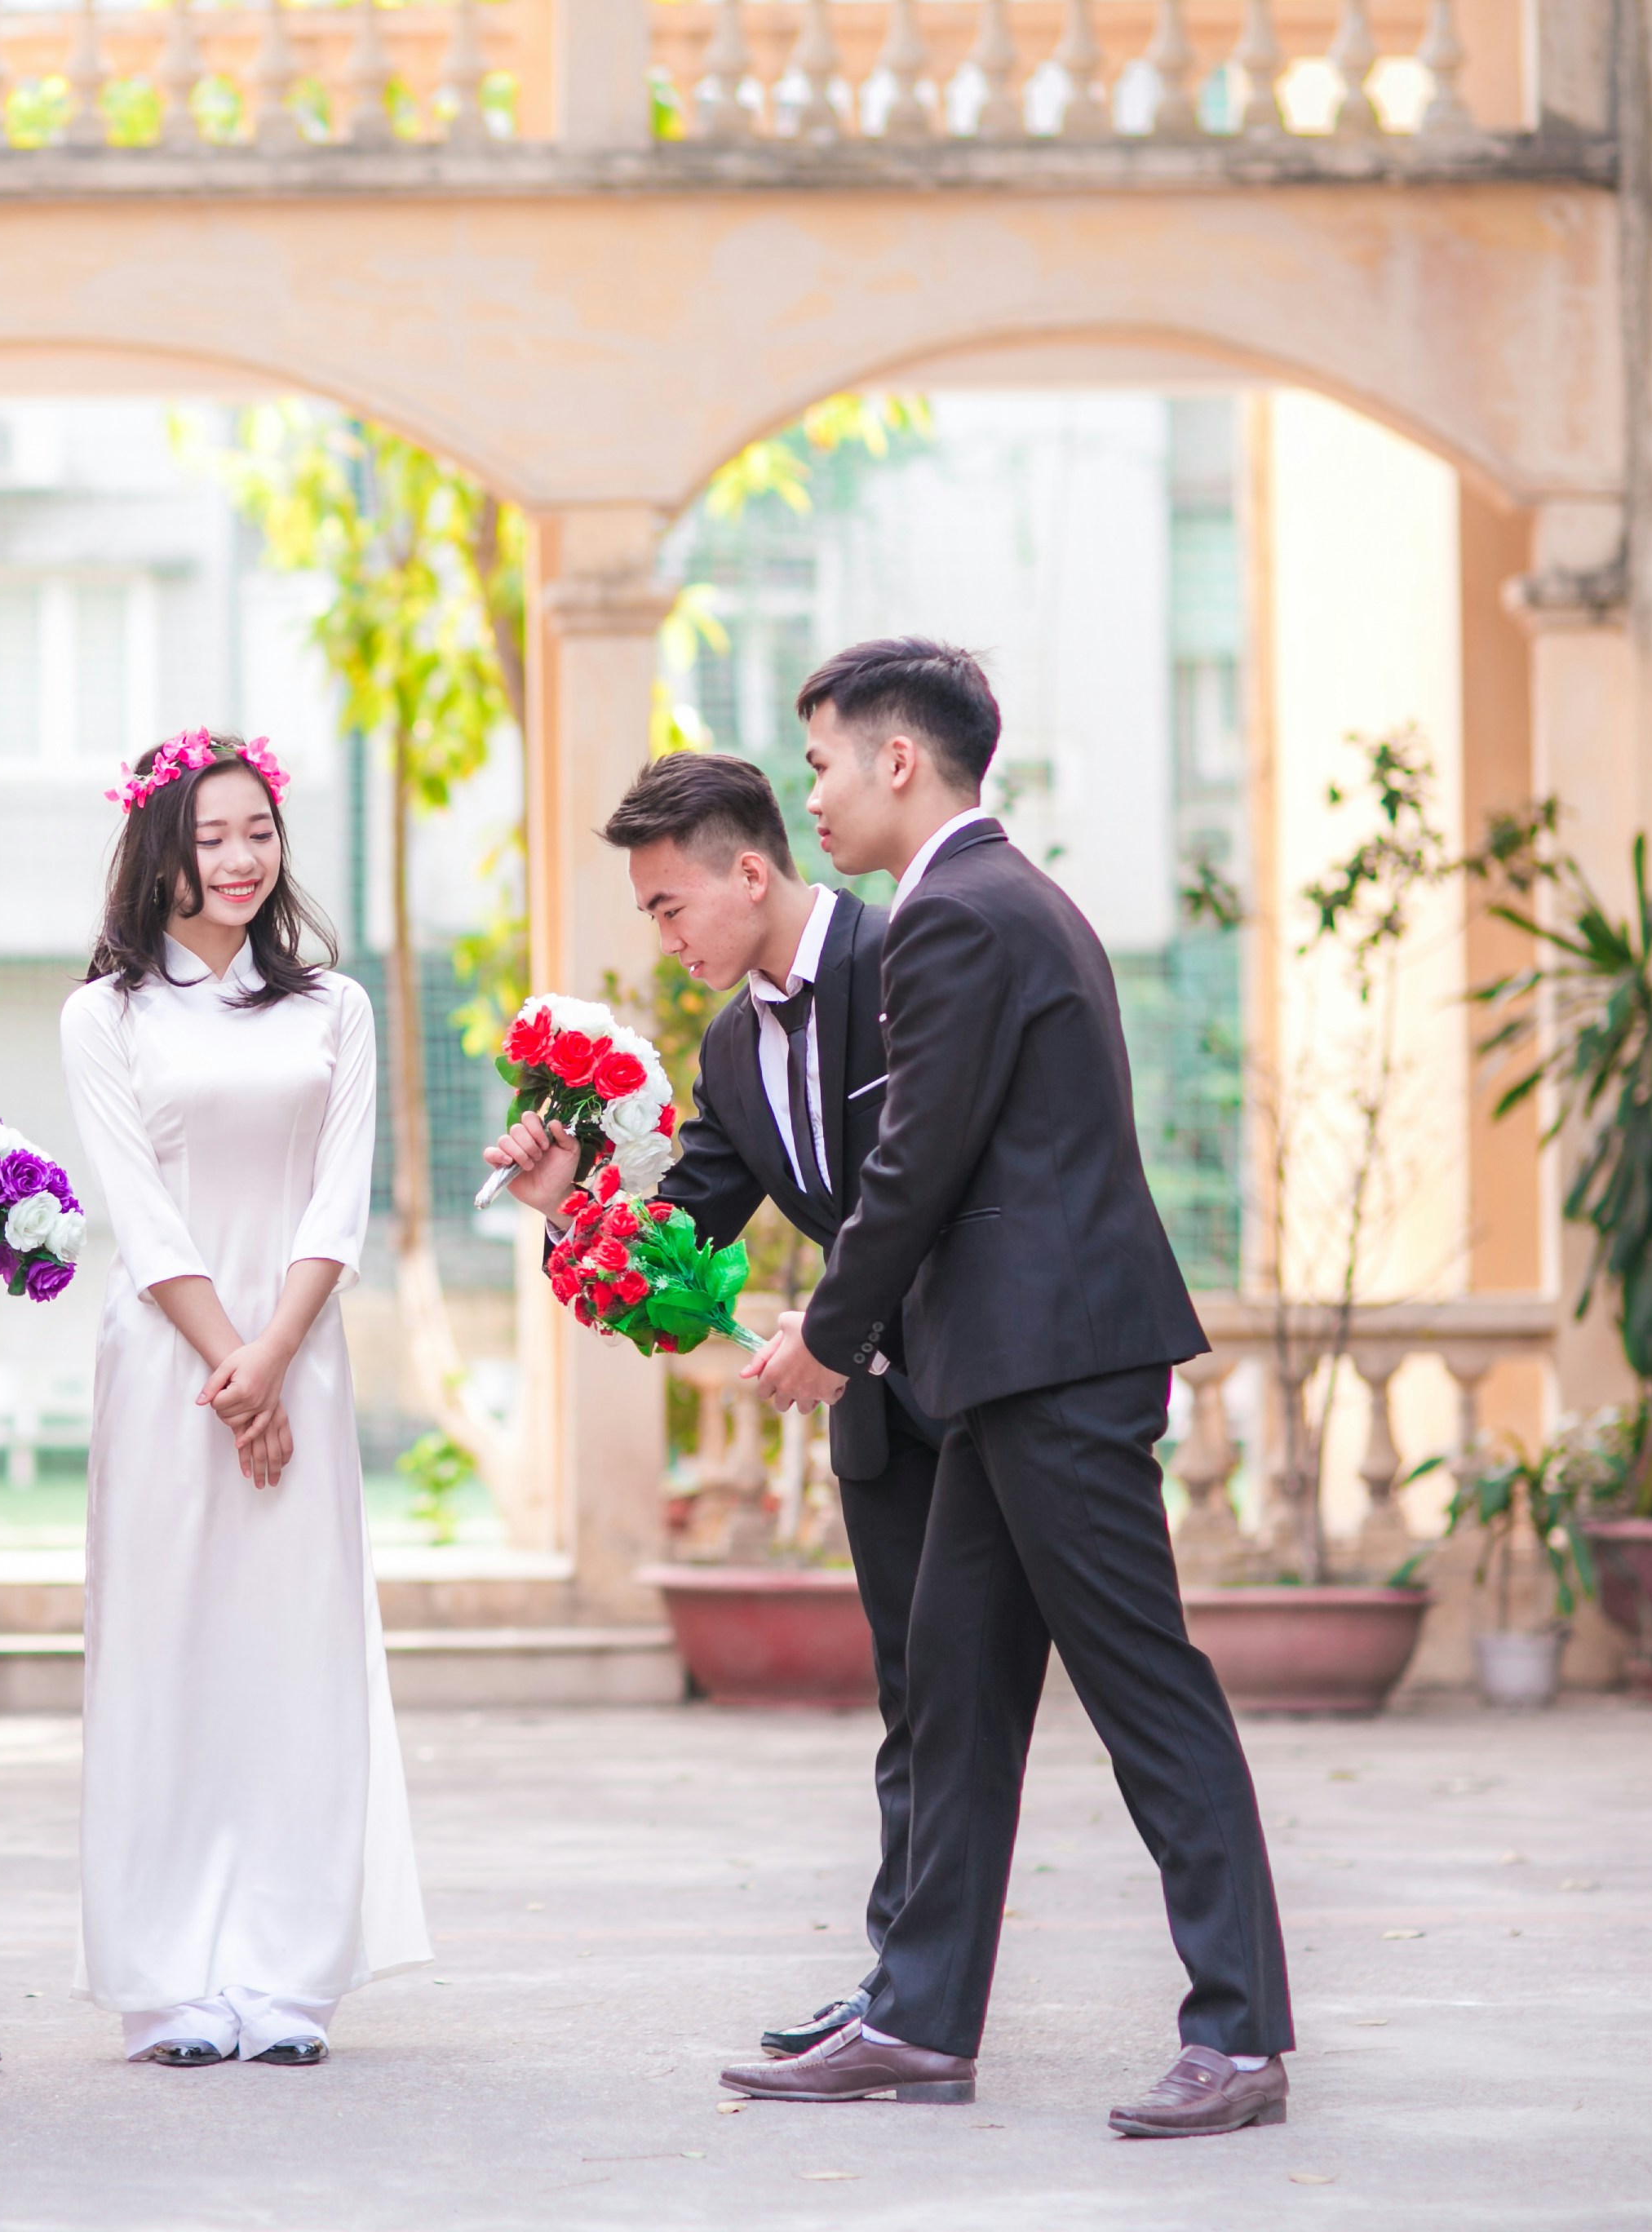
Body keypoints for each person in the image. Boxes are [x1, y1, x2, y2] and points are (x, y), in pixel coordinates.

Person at [724, 639, 1293, 2138]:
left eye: (823, 765)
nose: (813, 798)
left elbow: (917, 1162)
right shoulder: (994, 898)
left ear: (899, 760)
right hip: (1012, 1368)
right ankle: (918, 2022)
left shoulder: (958, 914)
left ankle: (1239, 2038)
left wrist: (831, 1332)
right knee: (960, 1696)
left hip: (1057, 1367)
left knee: (1145, 1691)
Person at [480, 747, 944, 2066]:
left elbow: (940, 1184)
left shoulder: (915, 959)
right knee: (917, 1709)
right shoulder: (735, 1049)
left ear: (750, 871)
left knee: (1115, 1698)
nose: (664, 935)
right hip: (881, 1418)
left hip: (997, 1390)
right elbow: (669, 1256)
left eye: (670, 905)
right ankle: (905, 1988)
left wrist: (835, 1326)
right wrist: (568, 1204)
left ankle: (1224, 2018)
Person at [57, 728, 432, 2070]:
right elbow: (140, 1210)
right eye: (210, 836)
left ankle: (288, 1972)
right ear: (159, 852)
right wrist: (232, 1365)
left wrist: (274, 1359)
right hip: (169, 1368)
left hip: (301, 1355)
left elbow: (341, 1198)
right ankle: (165, 1978)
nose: (238, 858)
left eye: (258, 832)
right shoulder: (103, 1016)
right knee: (165, 1652)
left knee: (293, 1652)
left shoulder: (334, 1007)